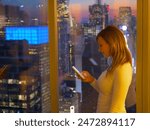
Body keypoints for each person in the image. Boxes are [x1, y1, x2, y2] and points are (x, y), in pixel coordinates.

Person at [79, 25, 133, 113]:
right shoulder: (114, 65)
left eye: (101, 45)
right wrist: (91, 80)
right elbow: (105, 92)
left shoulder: (123, 68)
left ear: (112, 44)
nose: (99, 50)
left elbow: (117, 108)